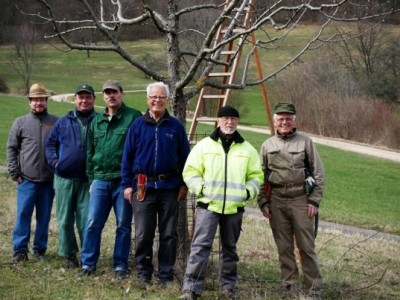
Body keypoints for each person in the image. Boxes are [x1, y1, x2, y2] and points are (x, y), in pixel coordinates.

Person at [179, 105, 263, 300]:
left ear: (237, 122)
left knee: (230, 250)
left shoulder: (248, 149)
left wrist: (248, 191)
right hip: (208, 206)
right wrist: (200, 189)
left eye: (233, 119)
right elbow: (190, 172)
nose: (229, 122)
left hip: (234, 208)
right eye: (225, 118)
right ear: (218, 121)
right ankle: (191, 289)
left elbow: (256, 176)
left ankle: (228, 288)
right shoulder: (204, 146)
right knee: (200, 247)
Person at [121, 81, 190, 284]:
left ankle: (166, 274)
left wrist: (184, 185)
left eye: (161, 97)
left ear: (167, 100)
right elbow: (127, 157)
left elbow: (186, 159)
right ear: (147, 99)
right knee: (143, 234)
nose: (157, 100)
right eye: (154, 97)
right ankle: (143, 272)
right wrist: (127, 185)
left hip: (170, 188)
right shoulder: (137, 125)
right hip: (143, 188)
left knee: (169, 234)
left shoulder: (175, 126)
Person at [257, 102, 325, 299]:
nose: (284, 122)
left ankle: (314, 290)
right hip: (276, 200)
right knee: (283, 246)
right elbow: (260, 175)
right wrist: (263, 202)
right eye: (280, 119)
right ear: (275, 122)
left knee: (306, 246)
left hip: (301, 200)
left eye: (288, 118)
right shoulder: (267, 145)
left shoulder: (306, 142)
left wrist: (314, 200)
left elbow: (319, 173)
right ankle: (290, 287)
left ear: (294, 121)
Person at [78, 80, 142, 279]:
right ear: (103, 96)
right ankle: (88, 264)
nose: (111, 96)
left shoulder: (133, 117)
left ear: (121, 94)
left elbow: (138, 151)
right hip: (99, 181)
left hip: (123, 182)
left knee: (123, 224)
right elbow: (90, 152)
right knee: (93, 223)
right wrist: (91, 180)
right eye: (107, 93)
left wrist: (132, 181)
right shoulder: (96, 121)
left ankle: (120, 266)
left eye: (114, 92)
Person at [45, 83, 97, 269]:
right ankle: (69, 256)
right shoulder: (64, 121)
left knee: (87, 221)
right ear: (75, 99)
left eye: (88, 97)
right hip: (64, 179)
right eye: (80, 97)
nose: (84, 100)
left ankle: (87, 256)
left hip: (88, 181)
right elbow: (50, 144)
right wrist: (55, 162)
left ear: (93, 99)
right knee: (65, 220)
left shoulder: (99, 120)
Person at [7, 83, 58, 263]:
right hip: (26, 180)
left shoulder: (55, 122)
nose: (39, 103)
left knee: (44, 217)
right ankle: (20, 250)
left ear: (46, 101)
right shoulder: (20, 122)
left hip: (48, 180)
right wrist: (14, 171)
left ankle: (40, 250)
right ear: (30, 102)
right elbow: (12, 148)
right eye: (35, 100)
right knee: (23, 215)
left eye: (42, 100)